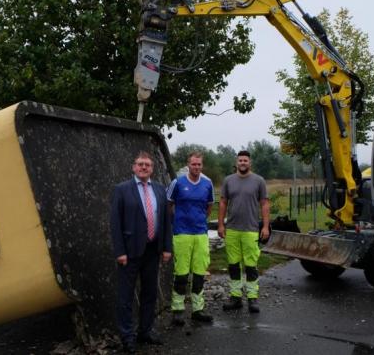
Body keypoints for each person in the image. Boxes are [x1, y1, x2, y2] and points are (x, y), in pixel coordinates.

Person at [110, 151, 173, 353]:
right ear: (133, 167)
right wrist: (120, 251)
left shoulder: (160, 190)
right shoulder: (121, 189)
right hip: (129, 252)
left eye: (147, 164)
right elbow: (115, 223)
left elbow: (165, 221)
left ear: (152, 169)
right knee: (125, 297)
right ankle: (127, 337)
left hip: (153, 251)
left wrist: (166, 248)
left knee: (149, 294)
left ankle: (145, 331)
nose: (144, 167)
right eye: (140, 164)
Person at [218, 150, 270, 313]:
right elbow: (223, 203)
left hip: (251, 229)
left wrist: (266, 226)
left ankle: (252, 299)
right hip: (232, 229)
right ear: (236, 162)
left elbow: (264, 204)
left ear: (250, 163)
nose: (242, 163)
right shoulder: (228, 180)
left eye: (245, 160)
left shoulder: (259, 181)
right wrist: (220, 225)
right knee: (233, 265)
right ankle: (235, 297)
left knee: (250, 265)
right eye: (240, 160)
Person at [167, 151, 214, 325]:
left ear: (202, 165)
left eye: (199, 164)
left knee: (200, 273)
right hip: (182, 233)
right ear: (188, 165)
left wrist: (199, 220)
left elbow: (209, 207)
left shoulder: (207, 184)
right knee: (181, 273)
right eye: (193, 164)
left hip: (200, 233)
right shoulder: (177, 183)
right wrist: (177, 220)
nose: (196, 167)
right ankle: (178, 310)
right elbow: (169, 204)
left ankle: (197, 310)